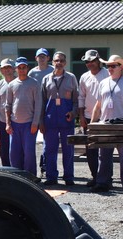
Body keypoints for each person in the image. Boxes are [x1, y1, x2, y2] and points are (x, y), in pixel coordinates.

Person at [91, 55, 123, 195]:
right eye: (108, 66)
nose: (110, 68)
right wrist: (92, 124)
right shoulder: (103, 83)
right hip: (106, 123)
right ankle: (102, 183)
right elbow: (98, 105)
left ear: (121, 67)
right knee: (104, 155)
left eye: (113, 66)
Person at [41, 51, 79, 186]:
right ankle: (51, 176)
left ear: (65, 63)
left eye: (62, 61)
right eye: (57, 61)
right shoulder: (46, 79)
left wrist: (73, 113)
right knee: (50, 149)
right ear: (52, 62)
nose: (59, 63)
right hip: (50, 120)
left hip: (66, 120)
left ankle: (69, 177)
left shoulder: (71, 78)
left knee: (68, 150)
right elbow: (42, 102)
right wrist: (41, 121)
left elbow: (76, 100)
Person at [5, 57, 42, 176]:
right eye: (19, 68)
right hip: (15, 124)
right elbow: (8, 105)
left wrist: (35, 123)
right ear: (16, 69)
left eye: (24, 67)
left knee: (29, 153)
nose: (21, 70)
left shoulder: (34, 84)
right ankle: (17, 177)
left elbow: (38, 105)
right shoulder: (11, 85)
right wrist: (8, 123)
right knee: (14, 153)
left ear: (27, 68)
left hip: (29, 124)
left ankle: (30, 177)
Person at [78, 50, 109, 186]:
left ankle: (106, 178)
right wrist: (81, 116)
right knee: (91, 150)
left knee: (105, 150)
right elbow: (81, 97)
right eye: (87, 61)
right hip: (89, 117)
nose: (90, 63)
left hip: (105, 118)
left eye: (92, 61)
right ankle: (95, 177)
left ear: (98, 60)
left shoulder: (107, 74)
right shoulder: (84, 77)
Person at [29, 48, 54, 178]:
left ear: (48, 58)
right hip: (33, 110)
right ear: (36, 58)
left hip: (48, 109)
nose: (42, 58)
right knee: (31, 140)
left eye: (44, 56)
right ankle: (30, 169)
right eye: (40, 56)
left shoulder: (52, 71)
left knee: (47, 140)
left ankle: (45, 167)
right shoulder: (32, 73)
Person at [0, 58, 15, 166]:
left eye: (9, 67)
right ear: (1, 70)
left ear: (13, 68)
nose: (6, 70)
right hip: (2, 121)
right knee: (4, 149)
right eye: (4, 68)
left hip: (17, 121)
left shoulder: (19, 82)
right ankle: (7, 170)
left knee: (16, 149)